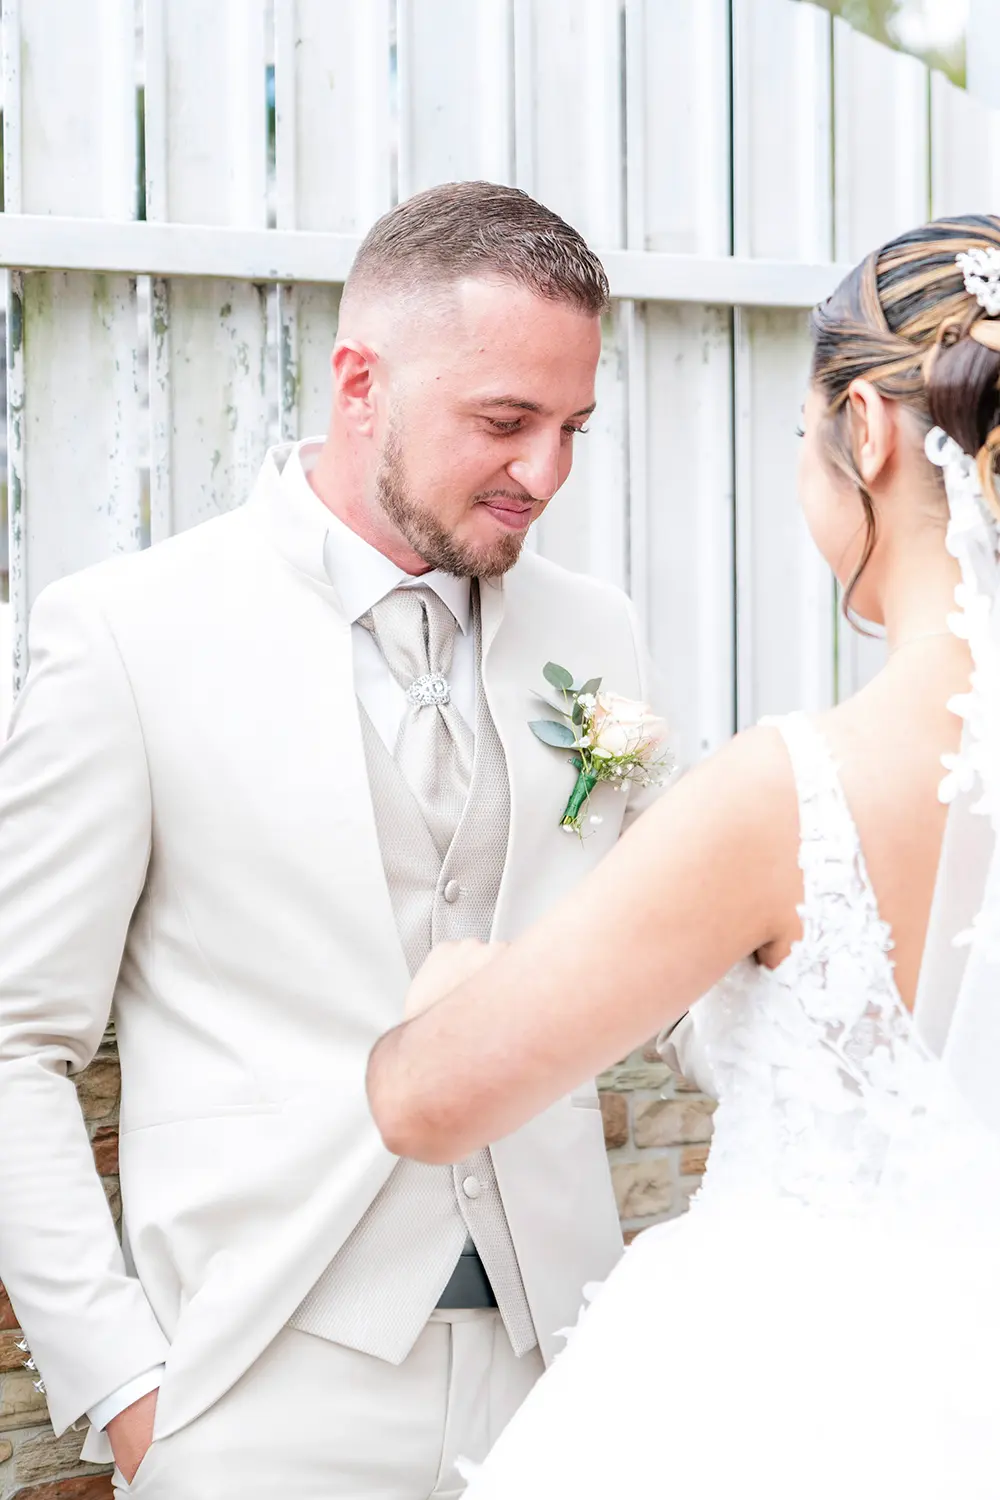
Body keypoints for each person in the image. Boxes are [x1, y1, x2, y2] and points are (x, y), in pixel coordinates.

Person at [0, 182, 666, 1498]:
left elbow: (672, 957)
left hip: (564, 1373)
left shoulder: (598, 636)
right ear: (361, 380)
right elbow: (18, 1041)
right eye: (505, 422)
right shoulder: (129, 635)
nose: (548, 474)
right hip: (261, 1382)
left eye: (574, 427)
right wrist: (132, 1390)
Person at [367, 214, 1000, 1498]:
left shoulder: (795, 792)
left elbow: (428, 1102)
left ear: (865, 435)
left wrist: (449, 1000)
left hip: (796, 1411)